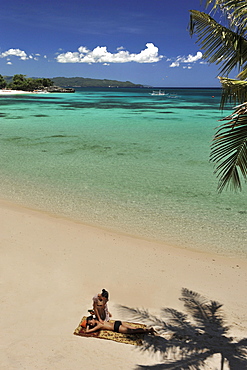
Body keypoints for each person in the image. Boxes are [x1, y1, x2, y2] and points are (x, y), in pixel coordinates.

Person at [86, 315, 154, 335]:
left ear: (93, 319)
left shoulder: (99, 325)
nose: (91, 324)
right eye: (90, 324)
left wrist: (87, 326)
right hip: (117, 322)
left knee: (132, 331)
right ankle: (147, 330)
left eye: (90, 322)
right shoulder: (100, 319)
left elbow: (87, 331)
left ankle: (148, 331)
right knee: (132, 327)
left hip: (116, 327)